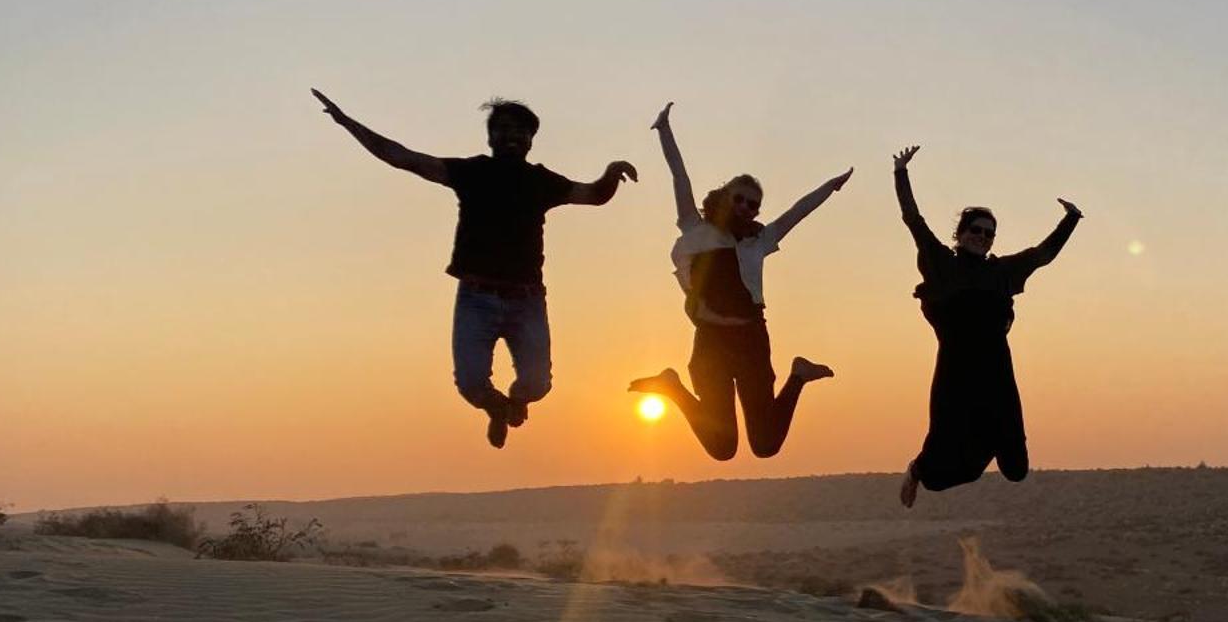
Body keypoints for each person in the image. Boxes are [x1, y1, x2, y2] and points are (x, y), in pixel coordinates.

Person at [312, 90, 636, 449]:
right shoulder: (472, 173)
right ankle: (497, 408)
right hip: (476, 298)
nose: (511, 136)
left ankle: (514, 403)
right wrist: (347, 123)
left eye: (520, 131)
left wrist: (612, 171)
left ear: (531, 139)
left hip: (526, 300)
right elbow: (403, 158)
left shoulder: (542, 182)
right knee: (470, 384)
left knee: (537, 386)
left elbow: (593, 195)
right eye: (502, 129)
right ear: (490, 137)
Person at [629, 102, 850, 460]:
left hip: (751, 339)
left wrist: (831, 187)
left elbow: (798, 212)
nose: (746, 208)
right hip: (711, 341)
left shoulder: (757, 241)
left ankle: (798, 376)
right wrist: (664, 130)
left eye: (753, 205)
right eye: (741, 199)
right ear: (725, 196)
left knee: (765, 446)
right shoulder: (695, 228)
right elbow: (679, 177)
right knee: (722, 448)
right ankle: (671, 387)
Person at [891, 144, 1081, 506]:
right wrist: (901, 172)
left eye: (989, 233)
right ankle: (917, 469)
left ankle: (984, 439)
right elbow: (912, 219)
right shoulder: (941, 264)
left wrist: (1071, 218)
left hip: (997, 375)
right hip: (955, 375)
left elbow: (1043, 255)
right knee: (947, 471)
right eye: (976, 230)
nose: (982, 237)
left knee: (1016, 469)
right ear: (960, 233)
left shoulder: (1002, 272)